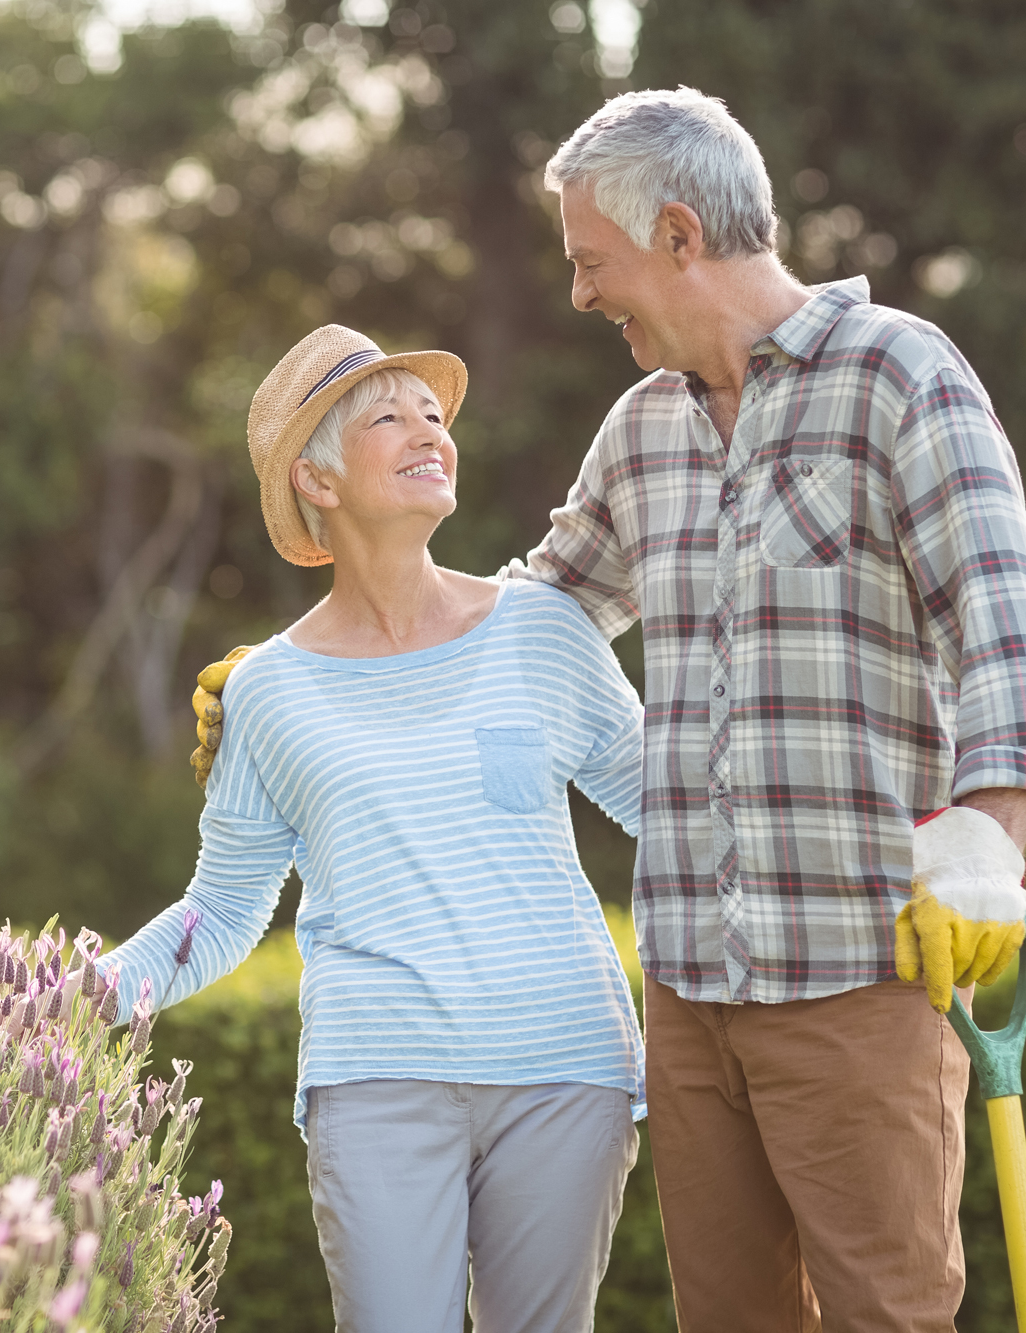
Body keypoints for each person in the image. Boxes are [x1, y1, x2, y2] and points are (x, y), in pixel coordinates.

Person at [193, 90, 1026, 1332]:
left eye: (588, 261)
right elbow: (521, 614)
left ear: (675, 236)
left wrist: (987, 829)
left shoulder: (897, 377)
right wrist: (299, 666)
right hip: (689, 993)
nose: (576, 294)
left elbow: (1009, 639)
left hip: (849, 975)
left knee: (886, 1314)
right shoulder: (642, 432)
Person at [100, 324, 649, 1333]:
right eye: (387, 417)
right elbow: (222, 909)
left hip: (563, 1067)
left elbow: (676, 811)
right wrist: (81, 994)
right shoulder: (264, 691)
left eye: (434, 416)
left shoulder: (543, 627)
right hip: (375, 1078)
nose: (427, 432)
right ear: (316, 479)